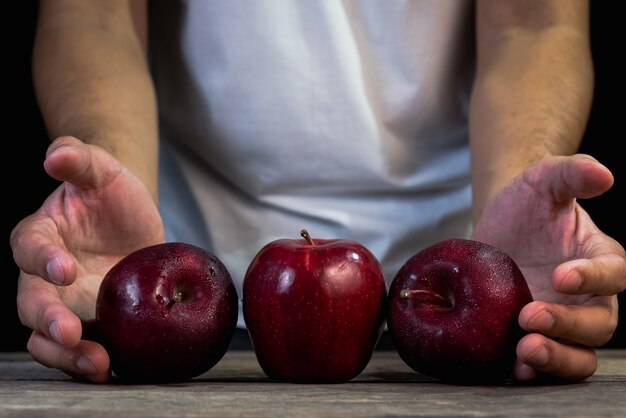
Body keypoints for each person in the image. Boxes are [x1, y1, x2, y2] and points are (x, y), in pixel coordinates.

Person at [11, 0, 625, 384]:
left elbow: (535, 22)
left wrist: (516, 204)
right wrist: (107, 178)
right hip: (183, 247)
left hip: (466, 253)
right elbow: (90, 14)